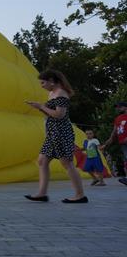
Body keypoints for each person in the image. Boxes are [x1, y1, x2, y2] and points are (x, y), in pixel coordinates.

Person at [25, 69, 87, 203]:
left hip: (61, 133)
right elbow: (51, 114)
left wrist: (41, 106)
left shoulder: (61, 94)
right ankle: (42, 193)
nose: (42, 85)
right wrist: (40, 108)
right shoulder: (52, 94)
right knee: (42, 161)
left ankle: (80, 195)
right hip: (53, 133)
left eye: (43, 82)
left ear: (52, 81)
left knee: (67, 163)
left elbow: (60, 115)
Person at [100, 101, 127, 186]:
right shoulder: (118, 118)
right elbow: (114, 132)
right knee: (126, 160)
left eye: (119, 107)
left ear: (125, 107)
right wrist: (106, 143)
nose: (118, 108)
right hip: (122, 143)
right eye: (117, 107)